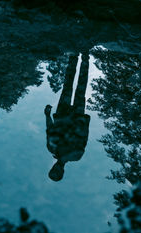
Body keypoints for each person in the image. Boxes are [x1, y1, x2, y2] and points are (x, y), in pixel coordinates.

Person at [45, 52, 90, 181]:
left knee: (67, 85)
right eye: (57, 172)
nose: (56, 168)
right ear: (62, 172)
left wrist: (47, 115)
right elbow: (84, 136)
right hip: (77, 117)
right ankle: (85, 56)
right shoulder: (76, 156)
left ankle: (74, 55)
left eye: (53, 170)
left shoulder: (51, 148)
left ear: (52, 167)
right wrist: (84, 121)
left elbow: (49, 129)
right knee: (81, 87)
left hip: (62, 114)